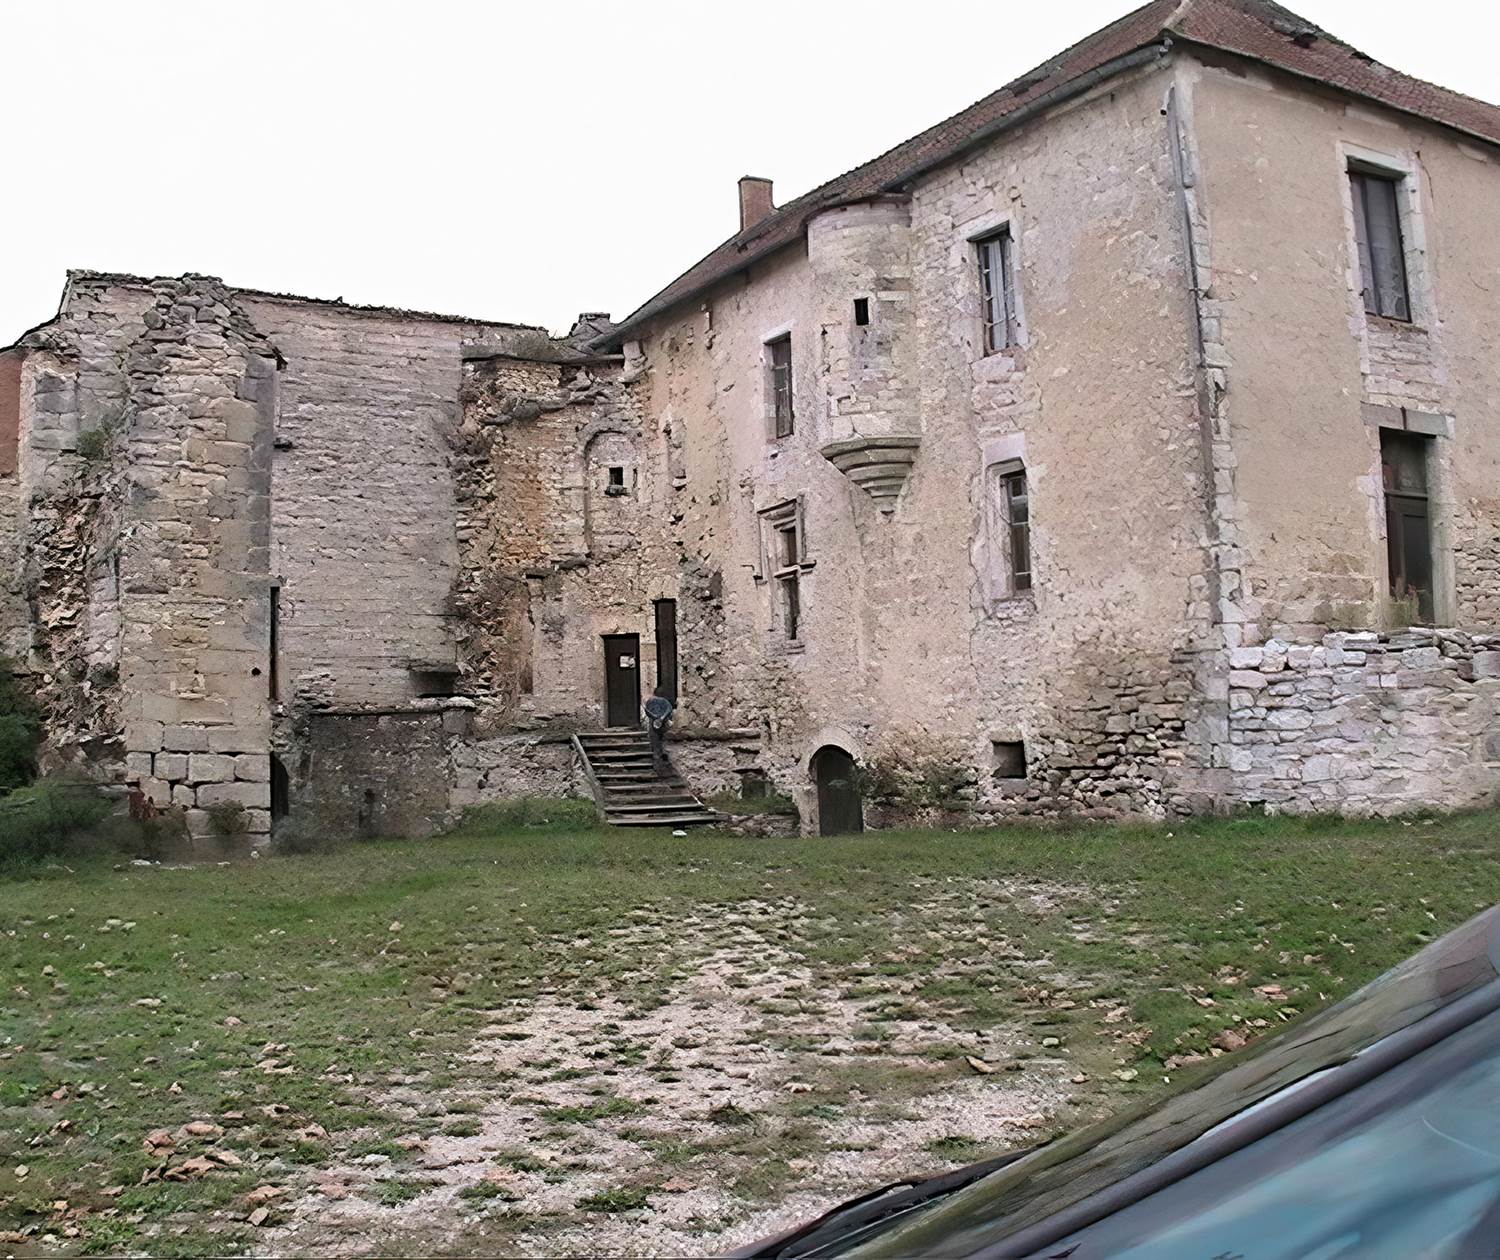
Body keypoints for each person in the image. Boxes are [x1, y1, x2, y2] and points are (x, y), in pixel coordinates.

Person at [644, 685, 674, 775]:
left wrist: (656, 718)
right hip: (663, 726)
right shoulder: (665, 702)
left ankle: (657, 767)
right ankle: (661, 768)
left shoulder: (650, 701)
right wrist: (663, 718)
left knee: (655, 746)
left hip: (654, 726)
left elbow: (647, 711)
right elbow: (669, 710)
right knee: (661, 746)